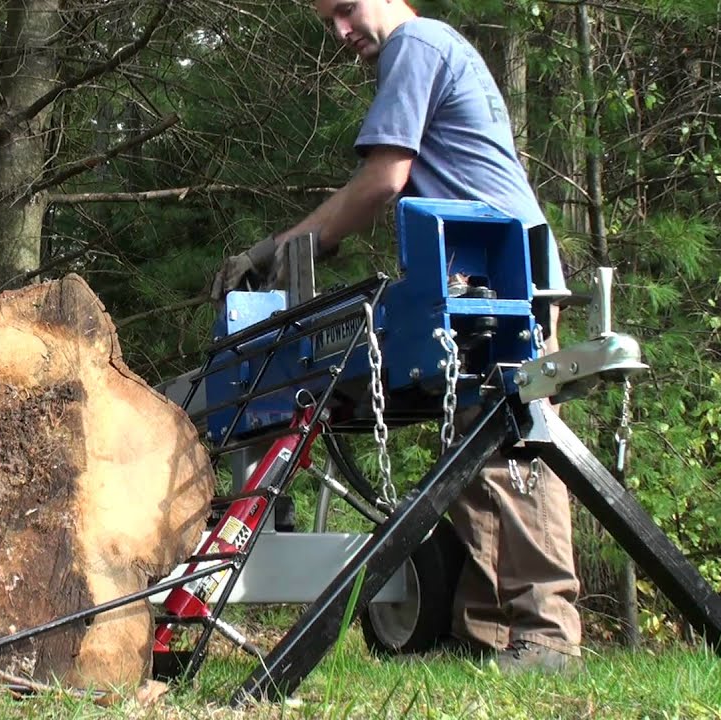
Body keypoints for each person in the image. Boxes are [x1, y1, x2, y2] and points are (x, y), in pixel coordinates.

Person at [209, 0, 581, 673]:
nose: (341, 32)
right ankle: (487, 633)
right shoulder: (434, 48)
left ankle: (548, 634)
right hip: (482, 269)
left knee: (515, 444)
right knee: (472, 449)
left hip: (503, 271)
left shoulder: (417, 44)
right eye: (328, 22)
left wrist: (277, 248)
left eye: (346, 10)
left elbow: (384, 179)